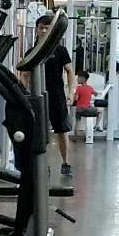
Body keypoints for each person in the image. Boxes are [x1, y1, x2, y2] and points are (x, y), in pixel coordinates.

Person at [32, 14, 75, 178]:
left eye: (47, 28)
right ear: (36, 30)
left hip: (57, 95)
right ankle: (44, 165)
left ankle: (66, 163)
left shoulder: (60, 50)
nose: (44, 31)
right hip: (37, 95)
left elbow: (70, 71)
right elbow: (25, 74)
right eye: (41, 28)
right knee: (40, 132)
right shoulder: (33, 51)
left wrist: (71, 92)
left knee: (62, 130)